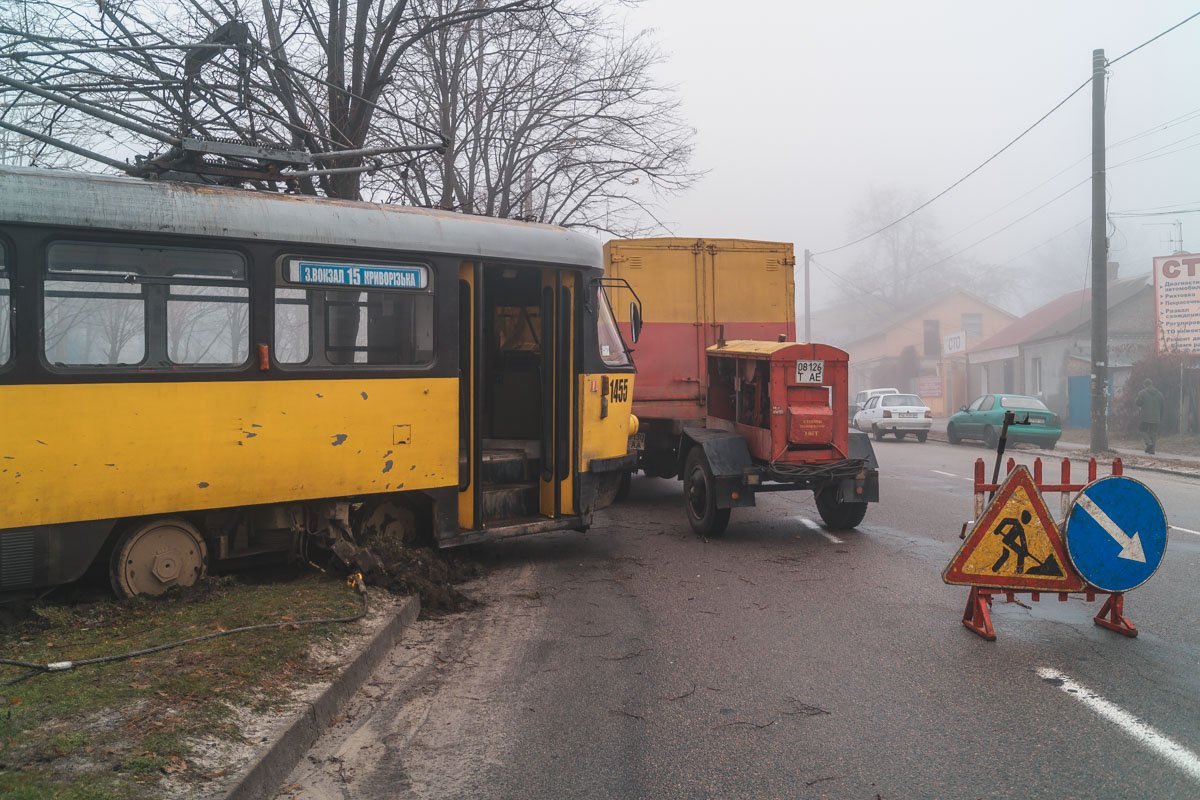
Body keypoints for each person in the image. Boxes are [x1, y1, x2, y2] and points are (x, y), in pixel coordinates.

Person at [1135, 378, 1165, 454]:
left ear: (1145, 385)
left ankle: (1149, 443)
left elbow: (1138, 403)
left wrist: (1137, 399)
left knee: (1142, 430)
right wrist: (1160, 417)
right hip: (1156, 417)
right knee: (1153, 433)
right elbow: (1162, 407)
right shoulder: (1160, 394)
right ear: (1152, 384)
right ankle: (1152, 450)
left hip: (1145, 417)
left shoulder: (1142, 393)